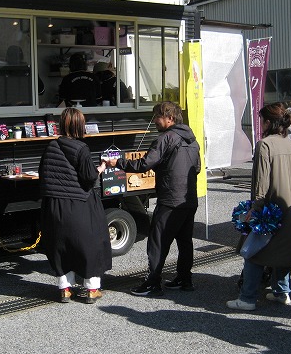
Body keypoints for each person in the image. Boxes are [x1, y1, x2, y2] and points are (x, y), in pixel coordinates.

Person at [107, 101, 201, 296]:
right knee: (185, 241)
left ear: (170, 118)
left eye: (157, 116)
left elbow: (144, 164)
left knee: (158, 241)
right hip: (189, 198)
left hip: (170, 199)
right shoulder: (193, 140)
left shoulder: (165, 138)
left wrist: (118, 162)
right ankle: (185, 279)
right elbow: (197, 168)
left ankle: (152, 283)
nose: (154, 120)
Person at [227, 102, 291, 310]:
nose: (260, 124)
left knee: (254, 252)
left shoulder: (265, 145)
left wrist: (255, 208)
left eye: (261, 120)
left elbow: (261, 183)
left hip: (271, 209)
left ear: (269, 122)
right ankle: (282, 291)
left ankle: (247, 299)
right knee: (283, 251)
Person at [38, 107, 111, 304]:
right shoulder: (81, 148)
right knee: (91, 244)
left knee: (61, 246)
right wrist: (102, 167)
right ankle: (92, 290)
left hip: (53, 206)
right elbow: (89, 178)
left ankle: (65, 290)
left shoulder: (51, 146)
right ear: (80, 125)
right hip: (79, 203)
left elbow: (43, 174)